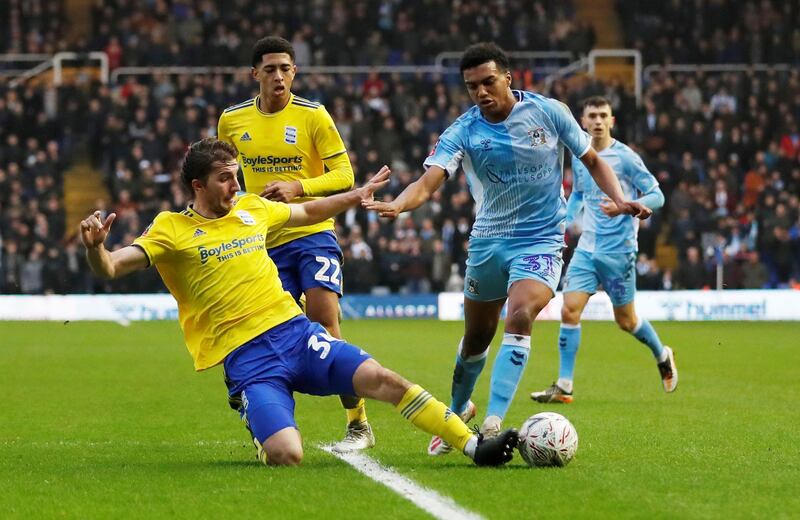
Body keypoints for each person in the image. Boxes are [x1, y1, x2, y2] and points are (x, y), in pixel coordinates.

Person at [78, 138, 518, 467]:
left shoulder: (252, 208)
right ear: (198, 185)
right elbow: (113, 267)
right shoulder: (171, 228)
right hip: (248, 359)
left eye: (237, 174)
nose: (236, 184)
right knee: (287, 455)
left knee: (384, 379)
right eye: (224, 178)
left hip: (296, 334)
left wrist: (356, 195)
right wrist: (96, 248)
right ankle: (256, 419)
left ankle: (473, 445)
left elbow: (308, 212)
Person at [363, 43, 652, 456]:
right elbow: (428, 182)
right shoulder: (463, 130)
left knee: (520, 315)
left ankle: (493, 421)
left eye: (488, 82)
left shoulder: (549, 112)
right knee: (476, 340)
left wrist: (620, 199)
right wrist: (397, 204)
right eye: (472, 86)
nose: (481, 92)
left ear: (508, 79)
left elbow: (592, 160)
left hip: (541, 241)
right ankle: (457, 413)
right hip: (487, 244)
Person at [217, 36, 372, 453]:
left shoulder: (313, 116)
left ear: (294, 72)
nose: (279, 76)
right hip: (263, 237)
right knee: (260, 328)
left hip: (312, 231)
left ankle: (358, 423)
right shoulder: (231, 120)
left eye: (286, 68)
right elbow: (227, 178)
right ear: (255, 74)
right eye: (270, 69)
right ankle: (258, 405)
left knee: (324, 315)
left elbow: (344, 176)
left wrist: (298, 186)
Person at [530, 96, 678, 404]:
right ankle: (565, 384)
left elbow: (657, 196)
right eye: (592, 116)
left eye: (603, 116)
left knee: (626, 321)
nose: (597, 121)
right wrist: (566, 222)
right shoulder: (580, 156)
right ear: (582, 122)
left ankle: (661, 353)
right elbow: (579, 196)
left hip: (619, 252)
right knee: (569, 309)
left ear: (611, 121)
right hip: (587, 249)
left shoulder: (626, 158)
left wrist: (626, 207)